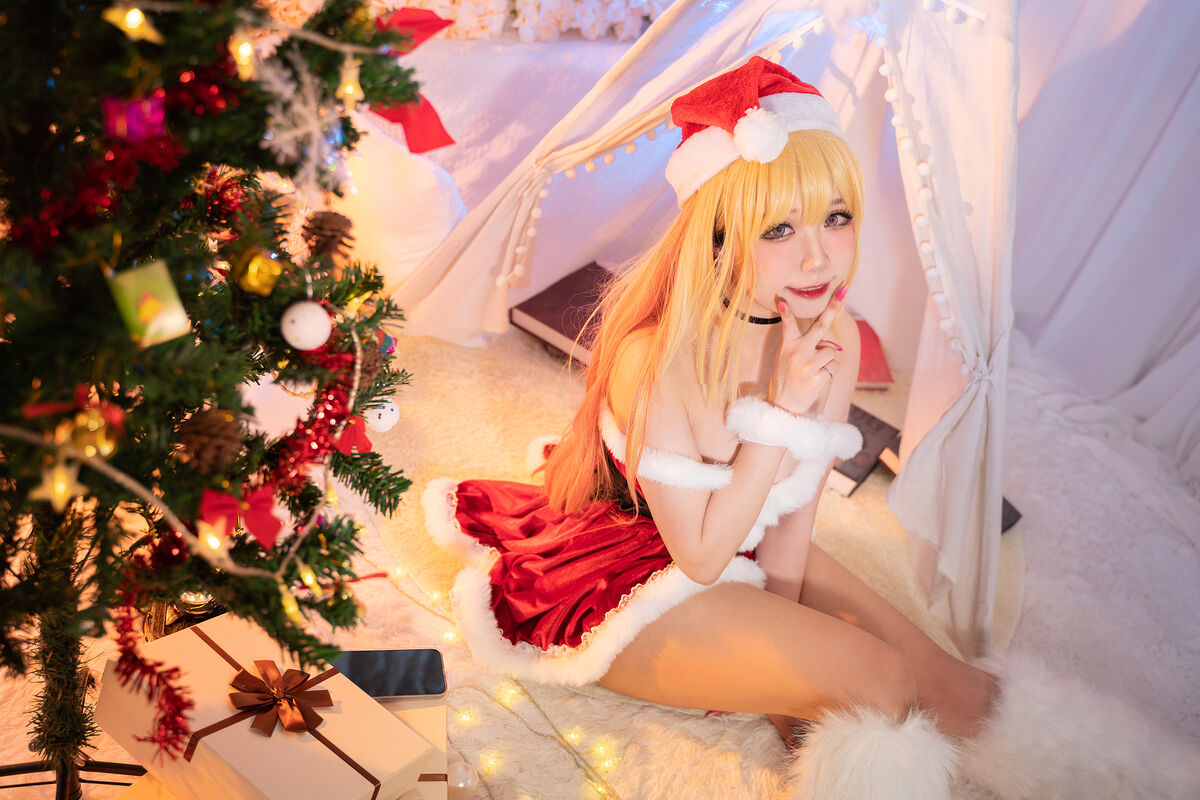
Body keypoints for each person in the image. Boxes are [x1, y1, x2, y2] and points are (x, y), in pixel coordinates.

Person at [425, 57, 1200, 800]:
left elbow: (790, 525)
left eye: (835, 218)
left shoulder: (831, 337)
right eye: (778, 230)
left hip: (745, 540)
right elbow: (701, 557)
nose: (818, 258)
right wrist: (780, 413)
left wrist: (785, 651)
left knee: (956, 690)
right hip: (629, 575)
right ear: (719, 237)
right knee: (881, 685)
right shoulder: (655, 360)